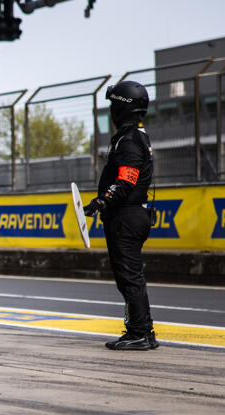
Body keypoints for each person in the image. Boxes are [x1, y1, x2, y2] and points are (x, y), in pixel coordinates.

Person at [83, 80, 157, 351]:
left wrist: (102, 201)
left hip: (126, 217)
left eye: (113, 105)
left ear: (122, 108)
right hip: (133, 214)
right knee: (131, 276)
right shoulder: (135, 137)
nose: (111, 111)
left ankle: (139, 332)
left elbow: (127, 180)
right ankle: (143, 331)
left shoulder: (129, 141)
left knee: (129, 277)